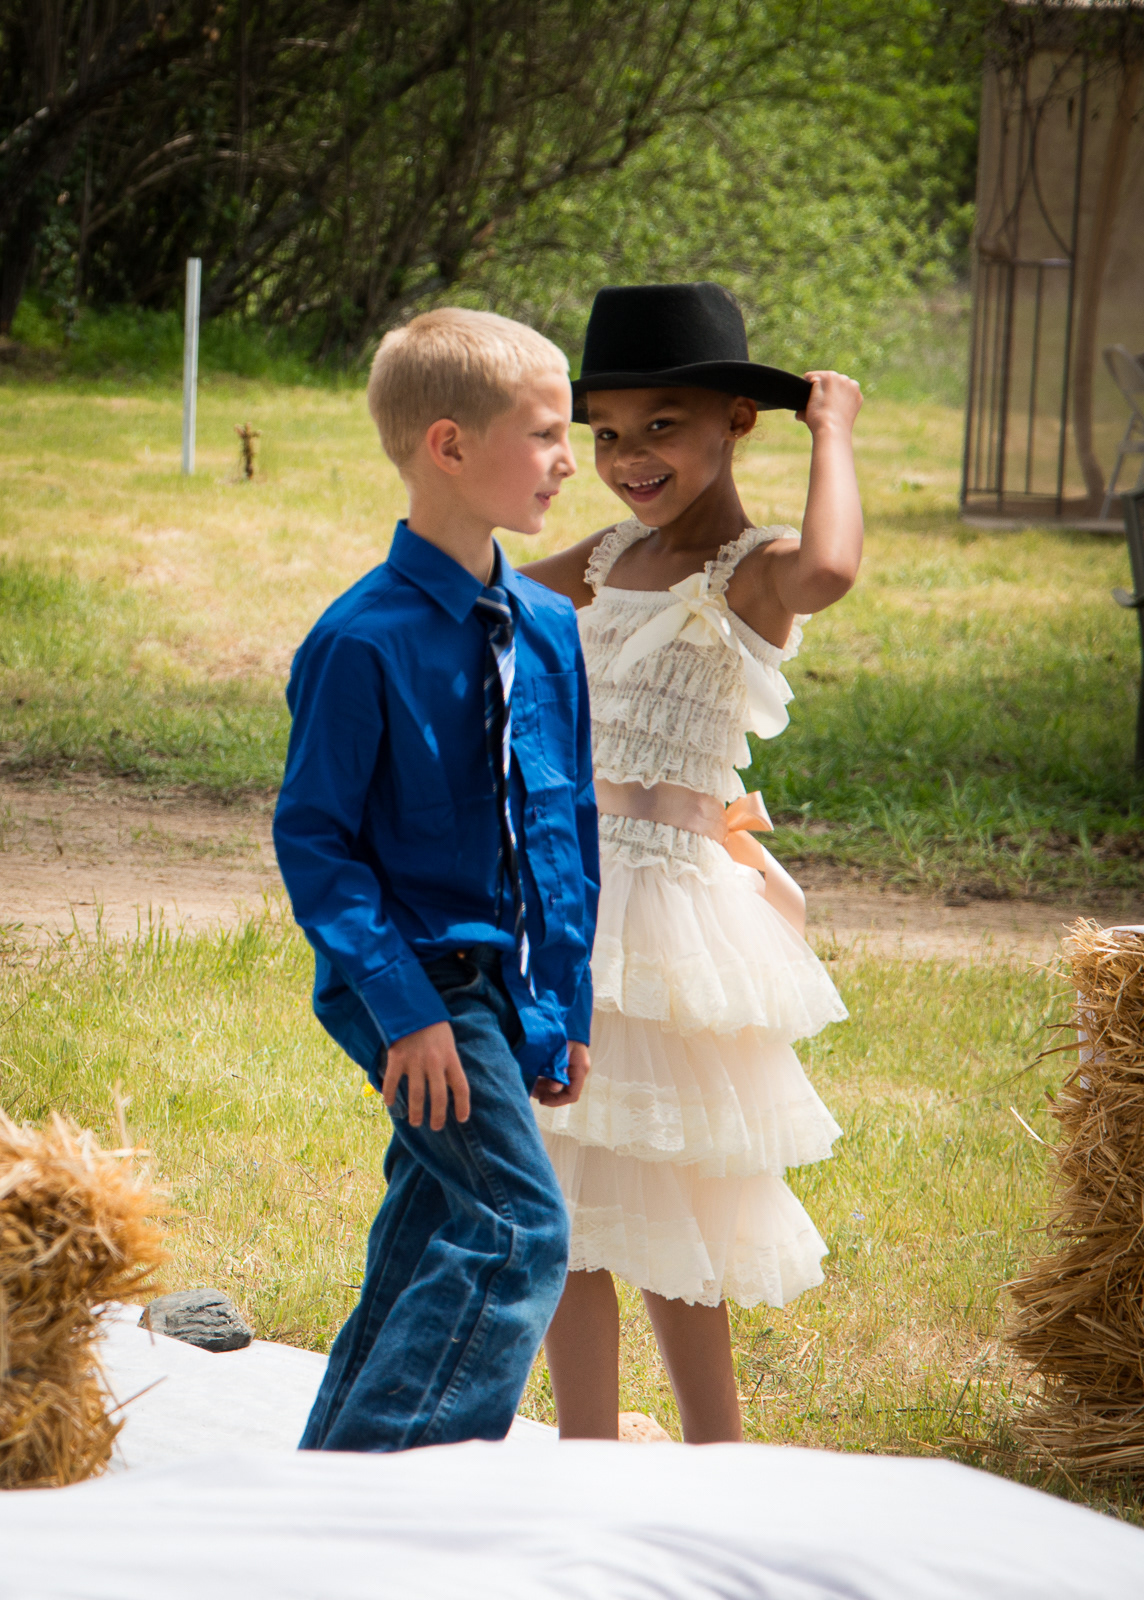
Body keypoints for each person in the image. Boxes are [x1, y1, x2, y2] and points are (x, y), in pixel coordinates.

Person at [523, 281, 861, 1443]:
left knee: (668, 1189)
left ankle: (717, 1451)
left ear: (737, 421)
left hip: (665, 913)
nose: (629, 457)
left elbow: (833, 570)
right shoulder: (608, 553)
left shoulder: (754, 568)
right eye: (604, 433)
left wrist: (834, 432)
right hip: (572, 891)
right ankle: (585, 1445)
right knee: (562, 1191)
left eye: (661, 426)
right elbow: (486, 596)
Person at [273, 307, 599, 1453]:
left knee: (429, 1230)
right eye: (546, 434)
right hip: (410, 980)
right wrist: (407, 1014)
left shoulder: (548, 627)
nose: (569, 461)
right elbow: (316, 843)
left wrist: (563, 1007)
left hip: (505, 990)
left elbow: (566, 827)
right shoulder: (359, 640)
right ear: (449, 446)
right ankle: (404, 1500)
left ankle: (329, 1483)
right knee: (517, 1231)